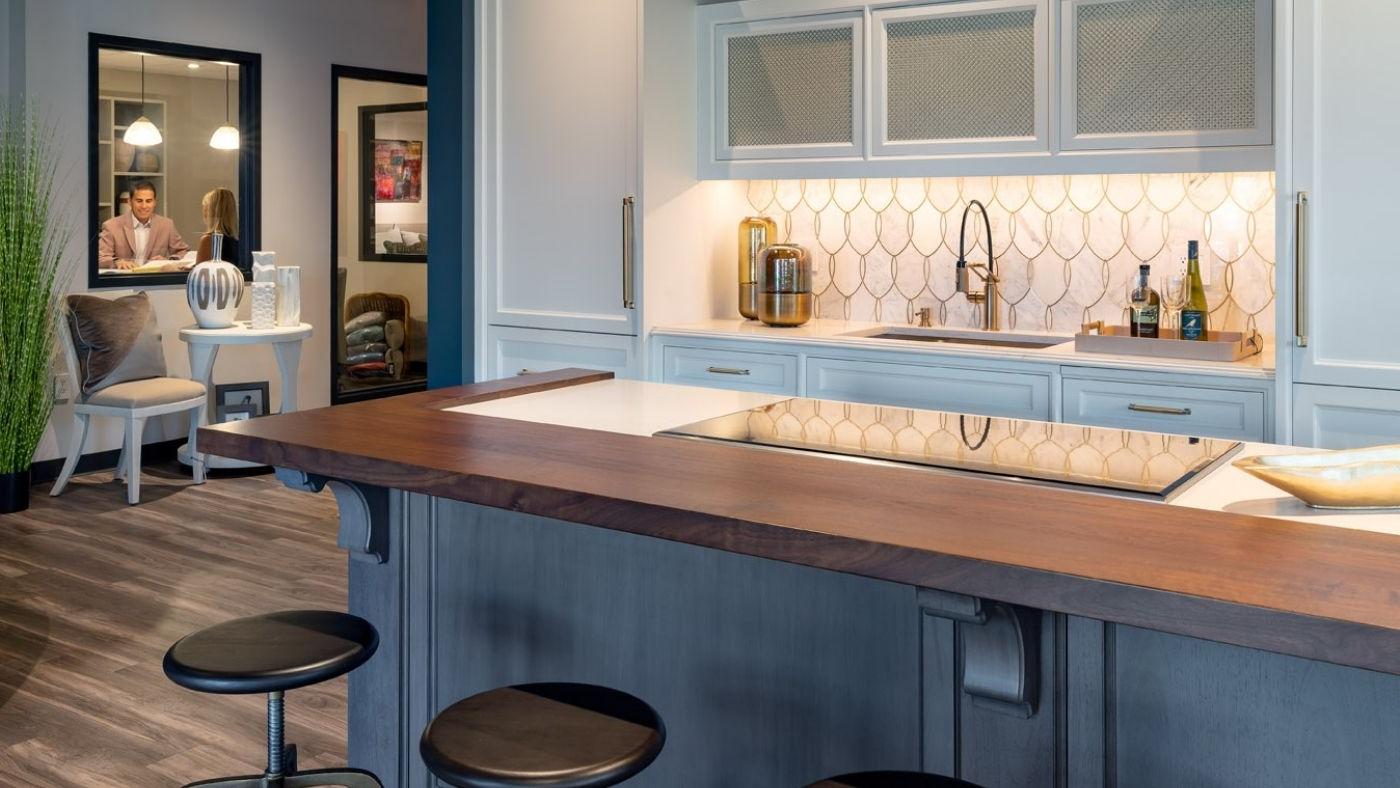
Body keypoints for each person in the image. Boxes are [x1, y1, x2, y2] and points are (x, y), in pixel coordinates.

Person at [97, 181, 190, 270]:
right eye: (139, 201)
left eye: (148, 201)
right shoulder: (111, 226)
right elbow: (100, 257)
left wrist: (167, 261)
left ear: (154, 202)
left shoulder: (166, 225)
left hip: (153, 281)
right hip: (123, 281)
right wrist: (117, 262)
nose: (144, 206)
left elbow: (184, 252)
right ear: (130, 202)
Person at [195, 187, 240, 263]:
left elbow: (202, 273)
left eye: (204, 207)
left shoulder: (208, 240)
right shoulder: (239, 240)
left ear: (210, 211)